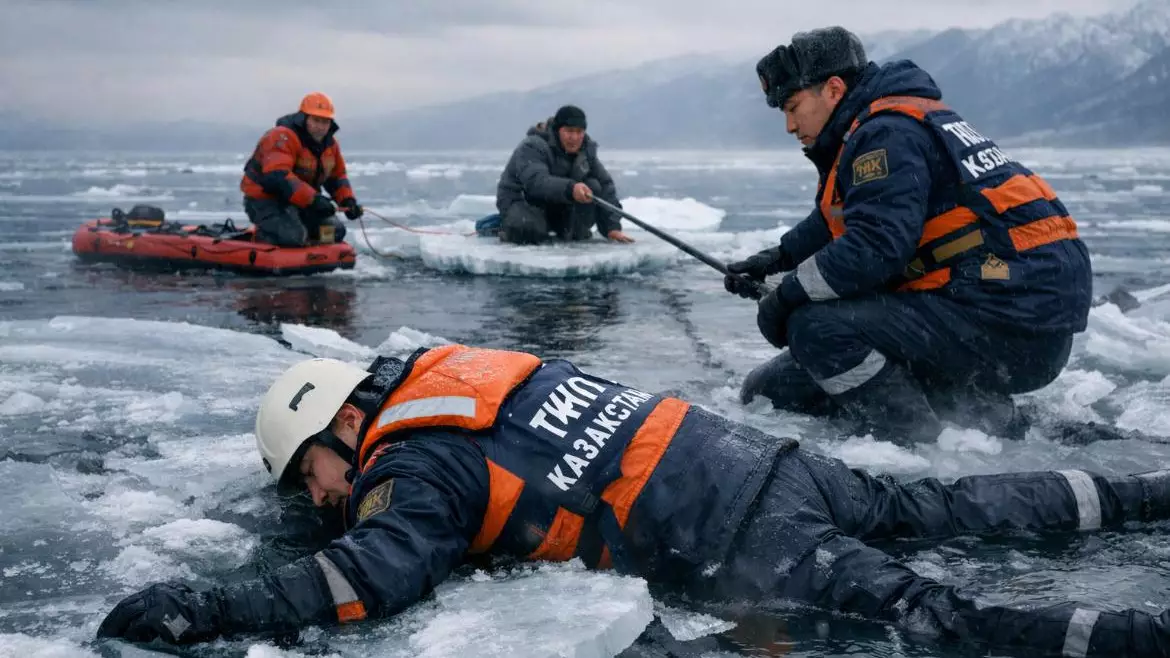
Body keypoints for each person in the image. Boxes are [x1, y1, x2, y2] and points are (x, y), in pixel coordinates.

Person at [97, 344, 1170, 657]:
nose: (327, 500)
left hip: (737, 531)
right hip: (760, 455)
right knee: (943, 507)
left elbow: (370, 573)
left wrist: (219, 603)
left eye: (315, 480)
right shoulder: (448, 366)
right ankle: (1141, 491)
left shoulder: (410, 463)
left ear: (338, 432)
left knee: (945, 623)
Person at [724, 27, 1092, 444]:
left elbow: (875, 248)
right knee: (774, 389)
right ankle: (976, 412)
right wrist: (777, 258)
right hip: (1012, 313)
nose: (790, 126)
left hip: (1014, 328)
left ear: (832, 88)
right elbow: (843, 217)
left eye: (794, 107)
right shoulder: (889, 121)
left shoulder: (885, 135)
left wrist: (787, 297)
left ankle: (915, 447)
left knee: (816, 328)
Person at [494, 104, 634, 245]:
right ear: (558, 130)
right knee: (529, 228)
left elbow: (605, 185)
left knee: (593, 187)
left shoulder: (586, 152)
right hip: (522, 200)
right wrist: (570, 188)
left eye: (579, 132)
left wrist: (612, 227)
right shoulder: (533, 146)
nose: (574, 137)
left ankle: (566, 229)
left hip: (558, 204)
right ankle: (502, 226)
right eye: (569, 131)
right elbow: (536, 182)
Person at [239, 92, 365, 247]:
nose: (320, 126)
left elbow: (337, 177)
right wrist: (314, 200)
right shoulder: (281, 136)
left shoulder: (331, 145)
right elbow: (277, 177)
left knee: (335, 232)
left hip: (302, 201)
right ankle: (263, 239)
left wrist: (348, 201)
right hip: (265, 200)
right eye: (316, 120)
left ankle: (311, 250)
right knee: (292, 237)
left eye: (325, 121)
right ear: (304, 119)